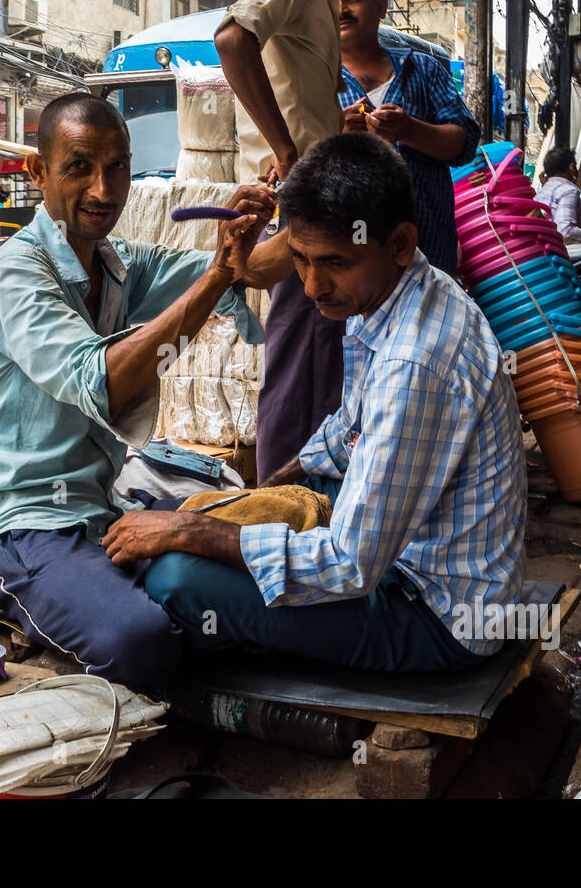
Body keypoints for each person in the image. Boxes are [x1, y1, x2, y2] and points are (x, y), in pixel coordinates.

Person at [102, 133, 527, 672]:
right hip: (406, 557)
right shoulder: (405, 288)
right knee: (170, 516)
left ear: (398, 241)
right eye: (299, 260)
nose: (311, 286)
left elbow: (351, 565)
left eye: (333, 263)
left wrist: (197, 533)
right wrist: (269, 487)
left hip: (439, 615)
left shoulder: (413, 364)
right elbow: (346, 430)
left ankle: (248, 635)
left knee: (177, 577)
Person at [0, 93, 280, 684]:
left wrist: (286, 203)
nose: (103, 189)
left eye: (117, 165)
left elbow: (249, 267)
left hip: (96, 510)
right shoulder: (18, 272)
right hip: (15, 528)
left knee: (242, 578)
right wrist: (222, 271)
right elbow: (103, 384)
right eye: (79, 167)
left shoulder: (115, 265)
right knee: (139, 640)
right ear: (38, 173)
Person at [215, 0, 359, 481]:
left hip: (314, 198)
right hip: (305, 207)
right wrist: (284, 147)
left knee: (318, 358)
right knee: (301, 362)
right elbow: (232, 39)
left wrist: (300, 141)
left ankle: (304, 506)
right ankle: (277, 510)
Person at [337, 0, 479, 274]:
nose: (341, 11)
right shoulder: (317, 81)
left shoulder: (423, 68)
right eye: (332, 2)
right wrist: (338, 138)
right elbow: (296, 166)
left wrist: (409, 129)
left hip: (430, 255)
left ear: (381, 6)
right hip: (352, 261)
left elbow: (464, 143)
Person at [532, 147, 581, 244]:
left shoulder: (541, 192)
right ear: (571, 167)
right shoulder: (568, 191)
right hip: (562, 253)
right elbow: (566, 232)